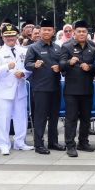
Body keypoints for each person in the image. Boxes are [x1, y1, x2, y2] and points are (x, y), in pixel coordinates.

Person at [60, 20, 95, 157]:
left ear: (87, 33)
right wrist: (69, 62)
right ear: (74, 33)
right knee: (71, 119)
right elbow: (61, 64)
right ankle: (70, 145)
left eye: (84, 31)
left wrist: (90, 67)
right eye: (79, 31)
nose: (82, 34)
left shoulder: (93, 47)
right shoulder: (67, 46)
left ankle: (83, 142)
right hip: (71, 90)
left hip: (87, 88)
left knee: (86, 118)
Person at [26, 19, 64, 154]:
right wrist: (34, 65)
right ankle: (39, 144)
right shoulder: (33, 47)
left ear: (53, 31)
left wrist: (60, 67)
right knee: (40, 117)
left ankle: (53, 142)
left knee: (54, 117)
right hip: (40, 88)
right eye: (44, 30)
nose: (46, 32)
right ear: (40, 31)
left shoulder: (57, 47)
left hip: (55, 86)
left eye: (49, 30)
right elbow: (27, 64)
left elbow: (62, 63)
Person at [0, 23, 30, 156]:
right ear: (2, 37)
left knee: (21, 118)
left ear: (17, 36)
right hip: (3, 91)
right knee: (3, 119)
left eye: (12, 35)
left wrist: (24, 73)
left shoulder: (24, 51)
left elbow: (29, 68)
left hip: (20, 89)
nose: (10, 38)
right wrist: (7, 67)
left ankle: (20, 142)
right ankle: (4, 145)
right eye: (7, 36)